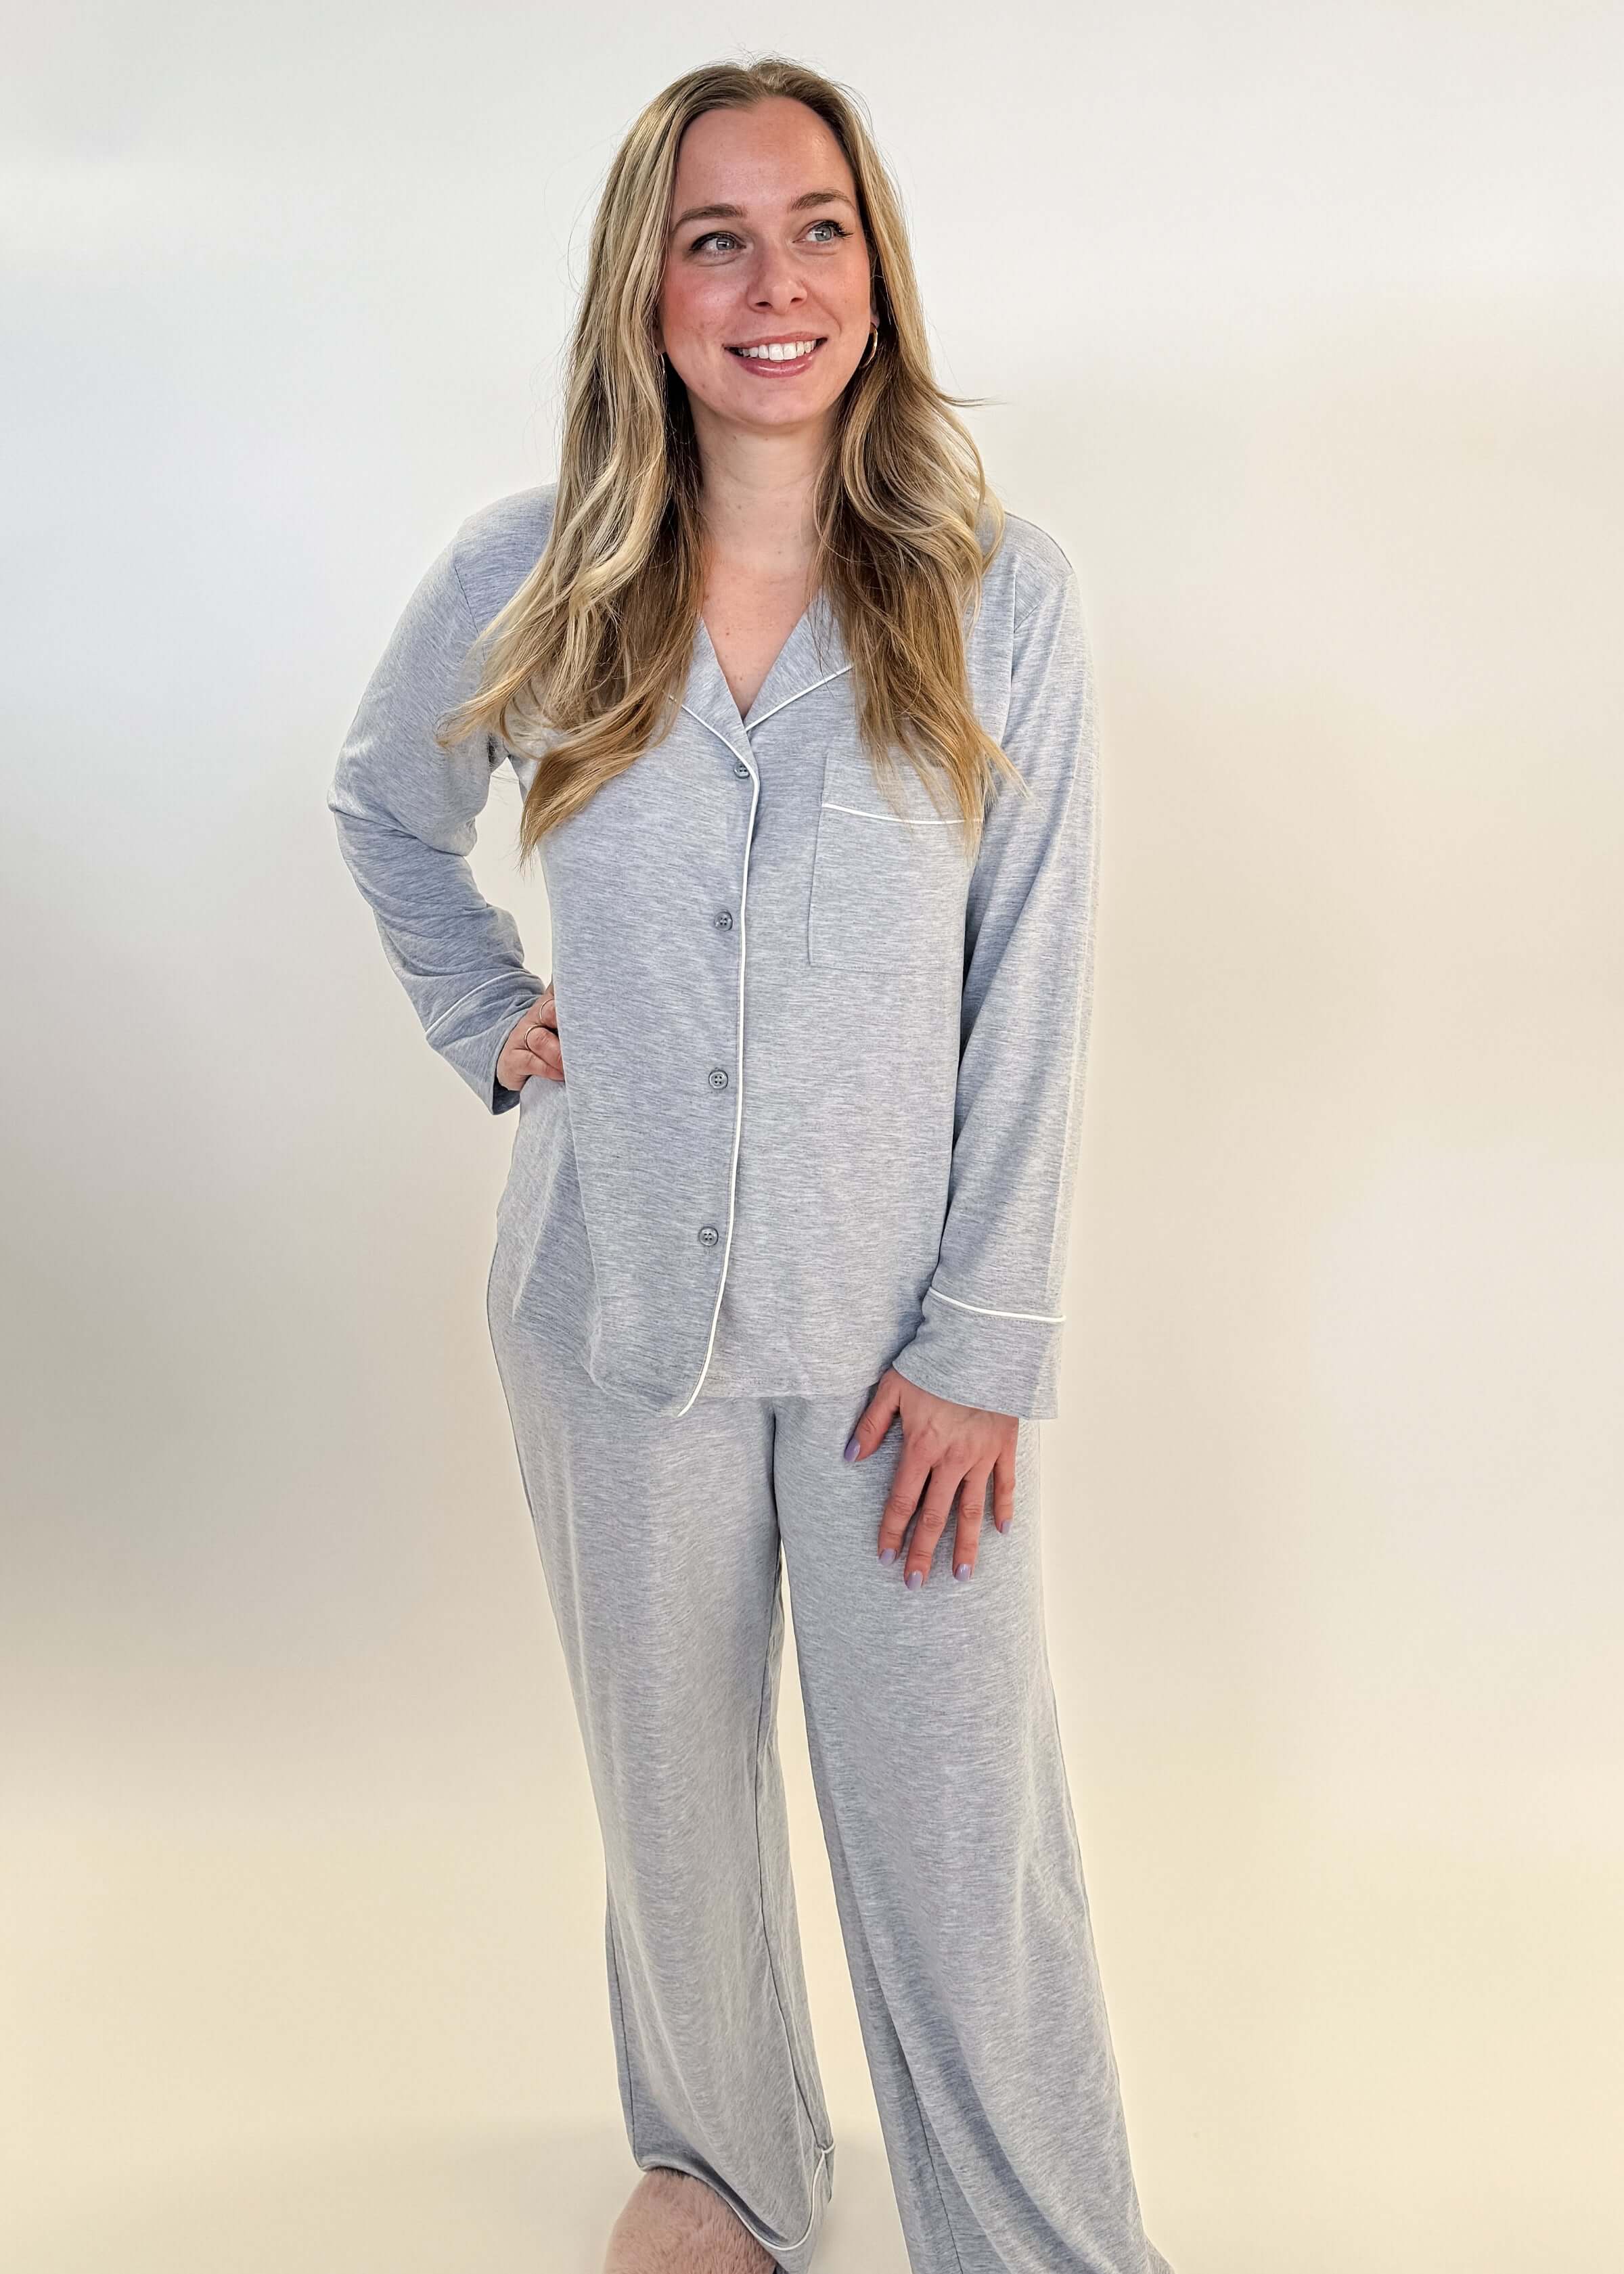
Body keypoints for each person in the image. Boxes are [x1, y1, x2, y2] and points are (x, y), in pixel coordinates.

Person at [328, 52, 1175, 2274]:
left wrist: (990, 1336)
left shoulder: (1002, 600)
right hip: (611, 1313)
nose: (772, 284)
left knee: (962, 1838)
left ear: (875, 275)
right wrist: (485, 1015)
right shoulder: (529, 574)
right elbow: (383, 807)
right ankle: (723, 2168)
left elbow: (1036, 983)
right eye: (716, 240)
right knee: (676, 1808)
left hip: (904, 1350)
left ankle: (1037, 2235)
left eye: (816, 231)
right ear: (650, 287)